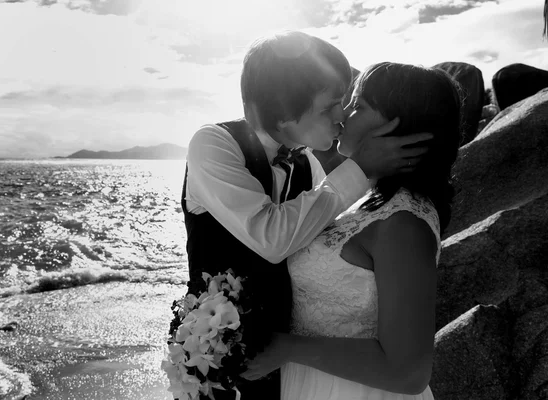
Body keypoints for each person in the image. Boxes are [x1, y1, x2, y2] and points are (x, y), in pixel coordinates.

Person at [182, 31, 432, 400]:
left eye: (347, 103)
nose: (342, 116)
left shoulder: (307, 162)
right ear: (284, 112)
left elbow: (321, 234)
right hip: (221, 359)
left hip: (287, 365)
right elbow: (273, 238)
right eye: (331, 105)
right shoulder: (213, 144)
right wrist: (360, 167)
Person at [240, 62, 463, 400]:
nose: (343, 113)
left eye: (359, 105)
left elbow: (409, 372)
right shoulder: (367, 202)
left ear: (398, 126)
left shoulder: (404, 223)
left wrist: (288, 348)